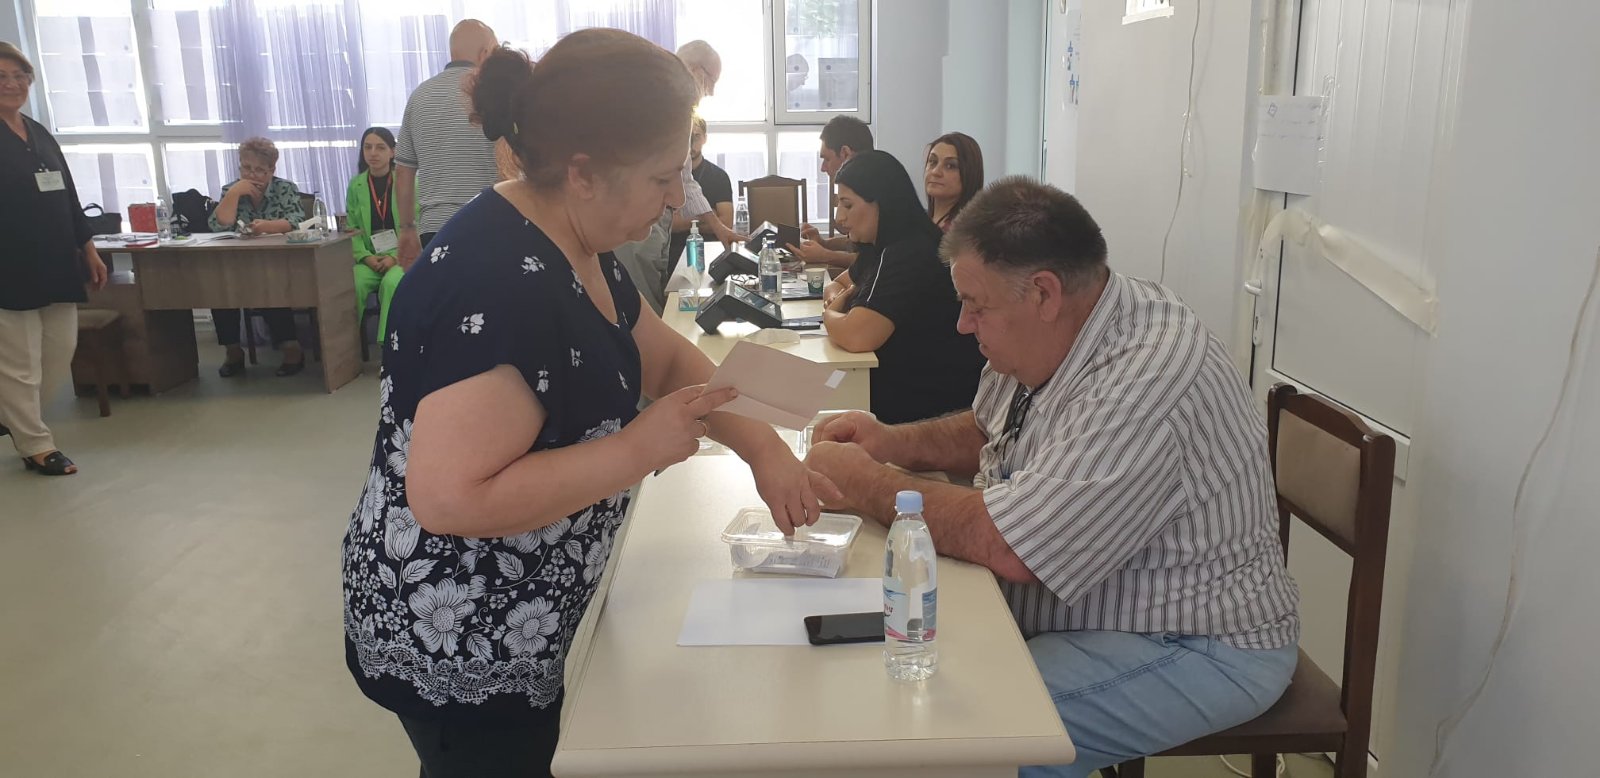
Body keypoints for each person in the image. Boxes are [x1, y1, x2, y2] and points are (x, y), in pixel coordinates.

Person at [341, 31, 838, 778]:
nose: (675, 198)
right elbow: (447, 497)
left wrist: (761, 445)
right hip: (459, 630)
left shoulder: (572, 236)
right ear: (581, 174)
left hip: (522, 610)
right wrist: (634, 451)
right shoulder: (501, 284)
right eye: (662, 177)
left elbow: (663, 357)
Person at [804, 177, 1300, 777]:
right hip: (1090, 609)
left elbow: (1011, 547)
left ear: (1043, 292)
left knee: (967, 739)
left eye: (975, 305)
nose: (963, 324)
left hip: (1193, 641)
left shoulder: (1148, 380)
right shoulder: (1060, 326)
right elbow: (989, 429)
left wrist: (866, 482)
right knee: (894, 686)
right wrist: (891, 442)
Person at [0, 41, 108, 476]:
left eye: (19, 76)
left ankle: (14, 418)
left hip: (58, 260)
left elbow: (68, 196)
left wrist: (89, 248)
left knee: (59, 351)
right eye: (1, 77)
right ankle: (36, 444)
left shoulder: (37, 131)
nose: (12, 84)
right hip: (10, 265)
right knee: (20, 363)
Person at [820, 150, 982, 424]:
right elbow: (840, 283)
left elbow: (857, 336)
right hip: (905, 384)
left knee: (814, 405)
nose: (839, 217)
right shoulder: (880, 246)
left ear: (881, 203)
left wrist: (830, 314)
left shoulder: (909, 252)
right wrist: (841, 301)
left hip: (929, 404)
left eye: (847, 205)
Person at [610, 39, 744, 313]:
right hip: (634, 218)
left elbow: (685, 180)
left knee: (655, 295)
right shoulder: (650, 103)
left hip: (656, 220)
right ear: (696, 71)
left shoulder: (677, 109)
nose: (711, 92)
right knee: (642, 303)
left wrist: (719, 228)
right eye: (711, 82)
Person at [395, 19, 501, 270]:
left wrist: (407, 228)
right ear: (486, 53)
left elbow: (403, 172)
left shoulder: (420, 96)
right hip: (489, 222)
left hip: (435, 229)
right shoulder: (492, 94)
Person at [206, 137, 306, 377]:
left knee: (270, 285)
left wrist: (267, 227)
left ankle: (291, 348)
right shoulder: (231, 189)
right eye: (246, 168)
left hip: (278, 263)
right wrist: (234, 194)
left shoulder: (285, 188)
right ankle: (233, 351)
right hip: (238, 264)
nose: (252, 175)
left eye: (259, 170)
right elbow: (219, 225)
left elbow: (296, 221)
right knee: (220, 291)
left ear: (271, 170)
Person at [346, 126, 414, 347]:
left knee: (391, 283)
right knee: (351, 283)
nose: (373, 153)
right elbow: (351, 228)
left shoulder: (407, 182)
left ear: (393, 152)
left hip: (400, 256)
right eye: (367, 147)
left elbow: (417, 225)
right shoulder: (355, 185)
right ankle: (345, 348)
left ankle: (388, 347)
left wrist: (394, 257)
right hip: (370, 258)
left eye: (380, 148)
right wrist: (365, 257)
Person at [787, 115, 873, 269]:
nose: (822, 168)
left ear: (845, 153)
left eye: (826, 159)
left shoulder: (875, 194)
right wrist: (823, 243)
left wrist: (825, 255)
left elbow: (874, 262)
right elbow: (856, 244)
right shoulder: (862, 185)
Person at [665, 114, 733, 275]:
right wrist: (706, 218)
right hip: (673, 247)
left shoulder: (718, 176)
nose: (691, 143)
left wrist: (686, 221)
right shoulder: (669, 172)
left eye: (696, 136)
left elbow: (726, 223)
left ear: (705, 138)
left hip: (711, 246)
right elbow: (670, 225)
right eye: (687, 137)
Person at [924, 131, 984, 232]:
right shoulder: (914, 222)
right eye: (933, 162)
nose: (935, 172)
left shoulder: (968, 233)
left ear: (970, 174)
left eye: (950, 166)